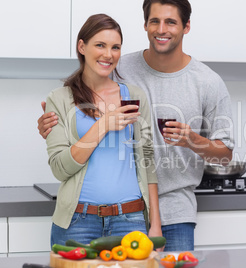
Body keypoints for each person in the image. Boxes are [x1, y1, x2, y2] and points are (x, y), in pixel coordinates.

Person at [38, 0, 234, 251]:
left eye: (170, 21)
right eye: (155, 21)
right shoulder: (116, 67)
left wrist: (191, 139)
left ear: (186, 27)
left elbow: (223, 155)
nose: (108, 54)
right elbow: (63, 154)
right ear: (145, 25)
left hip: (168, 209)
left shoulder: (206, 82)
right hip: (96, 215)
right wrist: (55, 125)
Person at [44, 13, 161, 247]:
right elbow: (60, 168)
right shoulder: (59, 99)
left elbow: (147, 161)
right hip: (77, 223)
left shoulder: (135, 97)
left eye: (115, 47)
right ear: (82, 46)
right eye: (100, 45)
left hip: (131, 220)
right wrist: (103, 125)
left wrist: (155, 223)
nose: (109, 54)